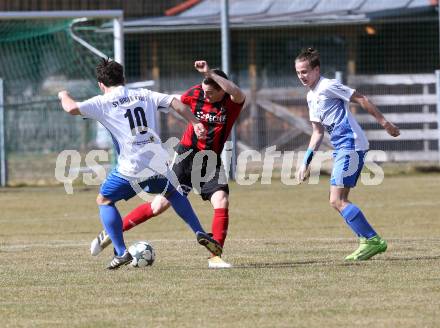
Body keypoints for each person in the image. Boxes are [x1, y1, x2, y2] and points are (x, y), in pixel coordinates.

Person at [58, 58, 222, 269]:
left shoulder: (102, 102)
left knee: (104, 200)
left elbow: (71, 108)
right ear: (123, 78)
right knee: (173, 193)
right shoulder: (145, 94)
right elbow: (175, 103)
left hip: (130, 169)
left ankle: (120, 252)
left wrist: (63, 94)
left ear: (101, 84)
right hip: (156, 164)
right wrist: (195, 122)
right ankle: (199, 231)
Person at [90, 60, 246, 269]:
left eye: (210, 93)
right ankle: (112, 232)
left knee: (222, 200)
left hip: (210, 159)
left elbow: (237, 92)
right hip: (185, 155)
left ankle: (215, 257)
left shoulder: (232, 101)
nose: (205, 95)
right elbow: (176, 104)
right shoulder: (195, 93)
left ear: (222, 89)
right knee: (159, 205)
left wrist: (210, 72)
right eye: (204, 90)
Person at [295, 48, 400, 261]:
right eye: (298, 72)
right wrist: (304, 162)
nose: (301, 76)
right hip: (342, 147)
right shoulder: (311, 96)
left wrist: (384, 123)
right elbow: (317, 132)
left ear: (316, 70)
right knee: (338, 199)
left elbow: (360, 98)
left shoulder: (328, 85)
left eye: (305, 71)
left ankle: (371, 240)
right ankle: (368, 240)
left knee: (337, 200)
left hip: (351, 144)